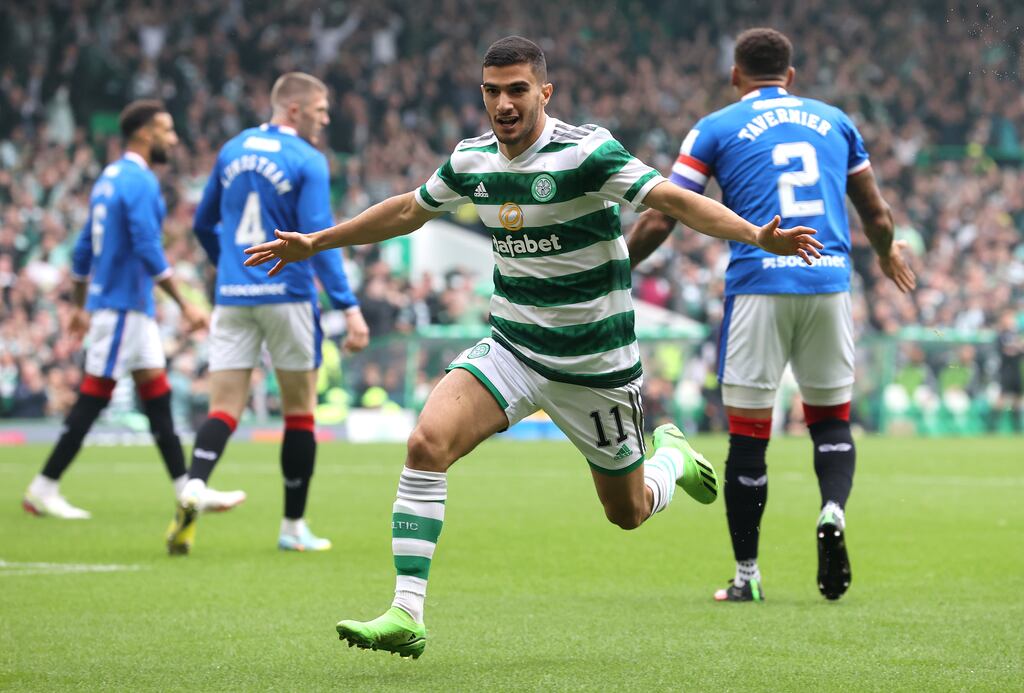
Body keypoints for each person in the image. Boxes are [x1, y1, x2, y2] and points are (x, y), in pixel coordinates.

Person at [244, 36, 821, 658]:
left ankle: (670, 460)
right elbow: (409, 210)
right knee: (425, 442)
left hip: (596, 368)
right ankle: (406, 612)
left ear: (544, 92)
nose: (504, 104)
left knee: (626, 513)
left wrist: (754, 235)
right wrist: (317, 241)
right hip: (513, 348)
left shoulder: (587, 152)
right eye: (492, 91)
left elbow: (673, 201)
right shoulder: (472, 161)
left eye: (517, 89)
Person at [626, 28, 916, 603]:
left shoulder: (716, 126)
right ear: (792, 75)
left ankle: (747, 576)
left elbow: (663, 215)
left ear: (736, 75)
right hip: (829, 283)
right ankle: (832, 509)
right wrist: (885, 253)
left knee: (749, 438)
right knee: (831, 421)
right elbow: (876, 212)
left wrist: (615, 267)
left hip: (758, 284)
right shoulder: (836, 121)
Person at [165, 72, 370, 555]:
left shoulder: (233, 148)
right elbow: (319, 236)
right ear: (294, 109)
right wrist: (348, 306)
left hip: (232, 296)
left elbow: (201, 222)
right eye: (320, 110)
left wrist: (230, 265)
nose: (325, 119)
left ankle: (194, 484)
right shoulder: (307, 159)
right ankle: (293, 527)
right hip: (289, 295)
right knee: (300, 413)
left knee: (223, 408)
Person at [22, 100, 212, 519]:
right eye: (166, 130)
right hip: (123, 305)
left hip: (129, 305)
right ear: (144, 133)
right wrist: (185, 305)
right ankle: (44, 486)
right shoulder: (140, 181)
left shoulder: (109, 178)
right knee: (95, 396)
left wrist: (77, 304)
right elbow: (147, 247)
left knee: (157, 398)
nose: (173, 138)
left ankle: (186, 489)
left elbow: (86, 245)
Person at [993, 310, 1022, 433]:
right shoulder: (1001, 336)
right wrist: (1017, 347)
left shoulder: (1016, 335)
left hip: (1017, 370)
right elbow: (1006, 351)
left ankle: (1016, 426)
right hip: (1006, 370)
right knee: (1002, 397)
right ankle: (994, 426)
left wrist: (1016, 348)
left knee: (1017, 398)